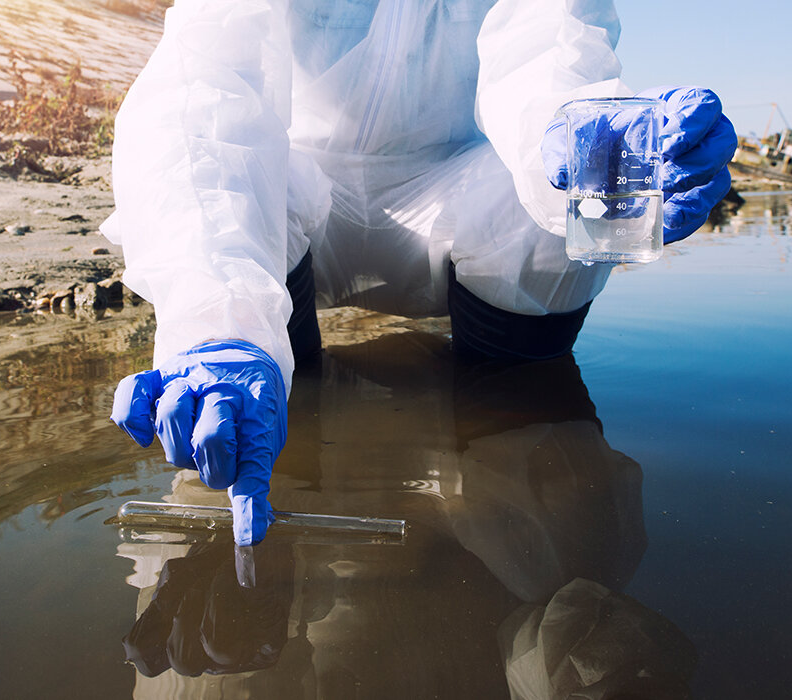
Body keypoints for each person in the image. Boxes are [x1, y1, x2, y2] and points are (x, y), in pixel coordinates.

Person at [102, 0, 736, 545]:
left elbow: (548, 50)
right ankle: (253, 368)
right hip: (300, 192)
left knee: (555, 221)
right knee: (223, 190)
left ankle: (512, 447)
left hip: (458, 189)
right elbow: (206, 86)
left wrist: (590, 143)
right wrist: (215, 320)